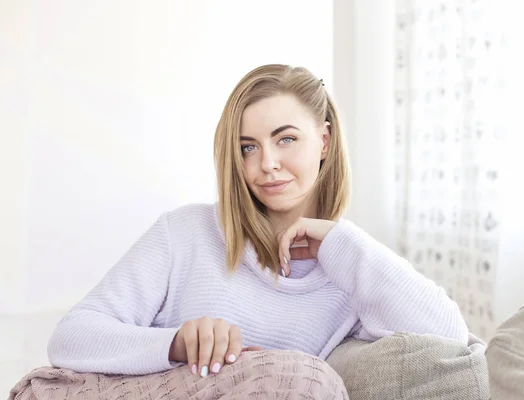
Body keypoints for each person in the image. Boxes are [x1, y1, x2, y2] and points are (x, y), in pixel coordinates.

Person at [47, 64, 468, 379]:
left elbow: (451, 341)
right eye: (248, 147)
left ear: (323, 141)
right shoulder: (184, 233)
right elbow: (71, 337)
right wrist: (176, 342)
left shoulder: (347, 273)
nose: (266, 164)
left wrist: (343, 243)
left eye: (286, 139)